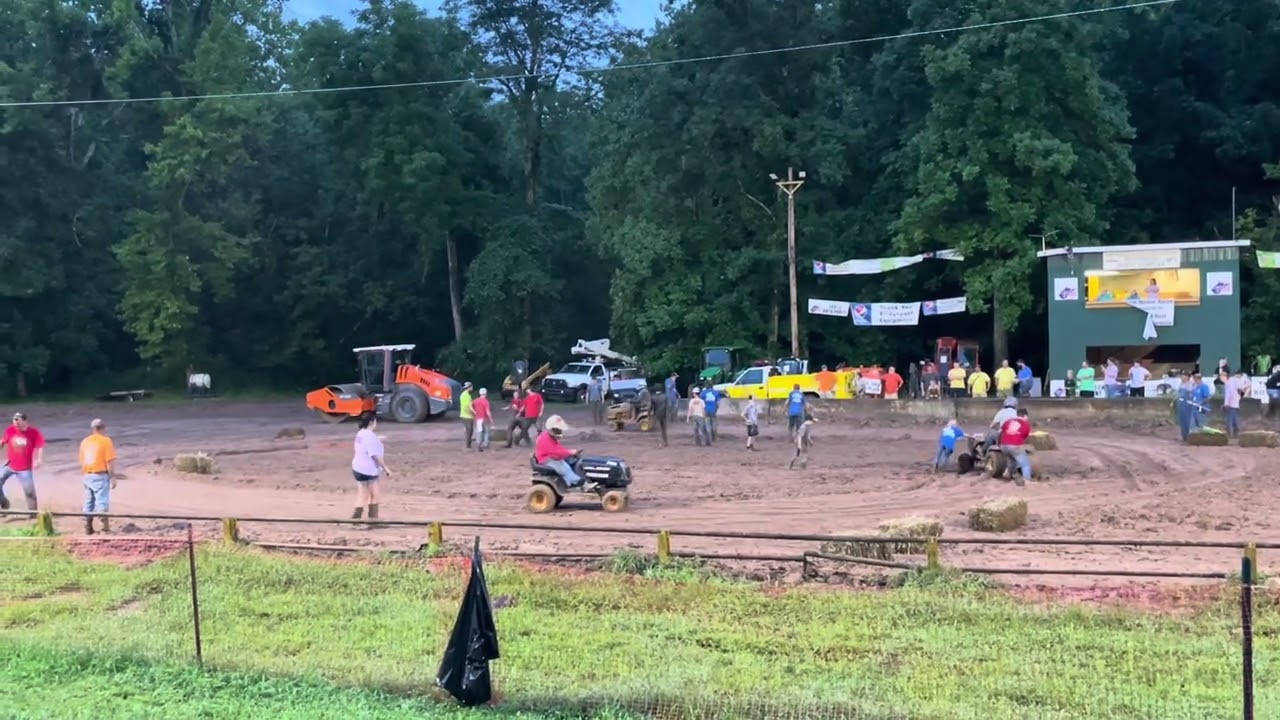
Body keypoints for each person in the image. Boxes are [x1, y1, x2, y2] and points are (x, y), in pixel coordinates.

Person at [79, 418, 117, 535]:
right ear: (103, 428)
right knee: (102, 501)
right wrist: (112, 477)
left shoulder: (85, 442)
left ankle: (88, 526)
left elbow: (81, 459)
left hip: (87, 474)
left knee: (89, 501)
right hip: (100, 474)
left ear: (93, 429)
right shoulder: (106, 441)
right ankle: (104, 528)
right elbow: (109, 461)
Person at [0, 412, 45, 512]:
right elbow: (3, 441)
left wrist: (39, 459)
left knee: (29, 492)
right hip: (10, 465)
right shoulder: (10, 430)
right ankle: (3, 501)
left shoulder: (34, 432)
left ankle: (32, 512)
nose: (16, 424)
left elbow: (40, 446)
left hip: (24, 468)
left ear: (25, 421)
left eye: (18, 421)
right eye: (14, 421)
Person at [351, 412, 391, 520]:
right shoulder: (371, 437)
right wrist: (385, 468)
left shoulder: (360, 433)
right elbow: (375, 456)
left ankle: (362, 520)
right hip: (367, 470)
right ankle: (364, 520)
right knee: (373, 495)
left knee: (365, 494)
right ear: (371, 422)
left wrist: (378, 438)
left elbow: (368, 440)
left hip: (357, 468)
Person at [534, 415, 585, 488]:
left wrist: (569, 452)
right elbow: (555, 451)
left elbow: (558, 448)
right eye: (558, 430)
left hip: (550, 457)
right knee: (562, 468)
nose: (560, 431)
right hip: (545, 459)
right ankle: (575, 481)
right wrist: (570, 452)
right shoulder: (545, 438)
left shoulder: (550, 437)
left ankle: (569, 481)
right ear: (552, 429)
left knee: (567, 464)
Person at [998, 408, 1033, 487]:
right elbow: (1024, 437)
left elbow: (1001, 431)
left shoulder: (1008, 421)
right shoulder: (1025, 424)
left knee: (1012, 459)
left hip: (1003, 445)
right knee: (1025, 464)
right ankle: (1027, 480)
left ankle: (1007, 474)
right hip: (1014, 445)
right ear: (1025, 415)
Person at [1174, 372, 1199, 441]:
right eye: (1181, 376)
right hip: (1181, 404)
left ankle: (1190, 435)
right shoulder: (1181, 384)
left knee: (1188, 419)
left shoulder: (1191, 385)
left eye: (1183, 376)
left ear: (1188, 377)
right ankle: (1184, 436)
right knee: (1182, 420)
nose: (1182, 378)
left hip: (1187, 404)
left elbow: (1193, 395)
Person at [1223, 371, 1246, 438]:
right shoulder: (1236, 381)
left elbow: (1229, 394)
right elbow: (1240, 390)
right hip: (1234, 403)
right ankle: (1235, 433)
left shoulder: (1230, 382)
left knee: (1230, 419)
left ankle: (1230, 433)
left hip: (1231, 403)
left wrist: (1226, 403)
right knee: (1234, 419)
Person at [458, 382, 475, 448]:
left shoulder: (462, 395)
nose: (472, 388)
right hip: (468, 416)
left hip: (463, 415)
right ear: (469, 387)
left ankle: (468, 444)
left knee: (468, 430)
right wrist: (475, 413)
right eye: (471, 387)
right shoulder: (468, 396)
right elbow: (470, 407)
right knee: (470, 431)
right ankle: (468, 445)